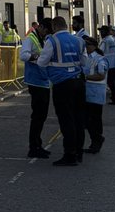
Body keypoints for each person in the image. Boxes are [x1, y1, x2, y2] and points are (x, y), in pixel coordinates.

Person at [34, 16, 86, 166]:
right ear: (66, 25)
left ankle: (69, 154)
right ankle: (79, 152)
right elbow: (84, 62)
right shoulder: (79, 40)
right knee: (78, 118)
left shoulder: (52, 41)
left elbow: (41, 62)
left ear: (54, 26)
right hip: (78, 81)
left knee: (66, 119)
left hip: (62, 84)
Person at [21, 23, 50, 159]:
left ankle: (38, 144)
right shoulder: (30, 39)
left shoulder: (41, 39)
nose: (46, 33)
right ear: (41, 27)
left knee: (42, 116)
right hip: (35, 82)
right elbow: (24, 56)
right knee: (38, 116)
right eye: (46, 31)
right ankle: (34, 147)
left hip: (43, 81)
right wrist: (38, 58)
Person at [81, 37, 108, 153]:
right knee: (88, 120)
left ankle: (97, 140)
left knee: (93, 120)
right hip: (89, 93)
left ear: (92, 46)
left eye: (86, 46)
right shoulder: (89, 58)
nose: (85, 48)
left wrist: (86, 77)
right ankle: (95, 141)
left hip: (96, 93)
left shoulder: (100, 59)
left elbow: (101, 75)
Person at [99, 25, 115, 105]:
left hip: (108, 64)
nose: (100, 33)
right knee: (114, 81)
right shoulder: (113, 39)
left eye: (102, 31)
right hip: (114, 63)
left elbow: (100, 51)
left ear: (105, 32)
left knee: (111, 82)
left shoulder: (105, 41)